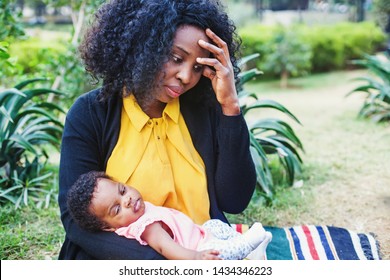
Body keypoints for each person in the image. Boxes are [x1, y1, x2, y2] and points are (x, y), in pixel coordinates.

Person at [58, 0, 257, 259]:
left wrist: (229, 106)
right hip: (122, 259)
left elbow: (235, 200)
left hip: (204, 252)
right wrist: (169, 264)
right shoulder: (89, 113)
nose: (186, 76)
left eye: (198, 67)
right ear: (144, 47)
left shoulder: (203, 109)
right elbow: (77, 222)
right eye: (176, 58)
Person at [67, 171, 272, 260]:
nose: (127, 200)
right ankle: (246, 245)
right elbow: (166, 247)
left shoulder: (139, 210)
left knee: (215, 224)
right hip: (196, 250)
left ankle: (250, 252)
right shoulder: (145, 227)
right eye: (117, 209)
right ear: (109, 228)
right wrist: (195, 258)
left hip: (200, 234)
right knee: (220, 253)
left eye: (122, 191)